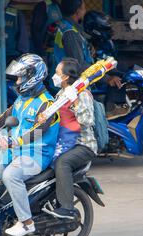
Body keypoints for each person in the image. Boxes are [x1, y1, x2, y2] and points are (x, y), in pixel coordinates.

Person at [0, 54, 60, 236]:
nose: (17, 81)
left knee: (10, 176)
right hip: (15, 153)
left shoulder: (47, 104)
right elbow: (1, 119)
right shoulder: (20, 100)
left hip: (36, 155)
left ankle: (26, 222)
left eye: (20, 77)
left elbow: (39, 130)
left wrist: (14, 141)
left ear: (32, 76)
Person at [51, 58, 97, 218]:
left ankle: (67, 208)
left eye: (57, 73)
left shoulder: (82, 93)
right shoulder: (59, 95)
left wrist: (75, 99)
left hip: (83, 145)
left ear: (65, 77)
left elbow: (87, 121)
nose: (54, 76)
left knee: (62, 162)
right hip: (64, 142)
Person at [53, 0, 122, 90]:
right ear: (78, 11)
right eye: (84, 8)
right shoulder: (71, 33)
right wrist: (107, 78)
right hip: (69, 87)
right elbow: (79, 65)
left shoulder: (64, 24)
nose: (85, 11)